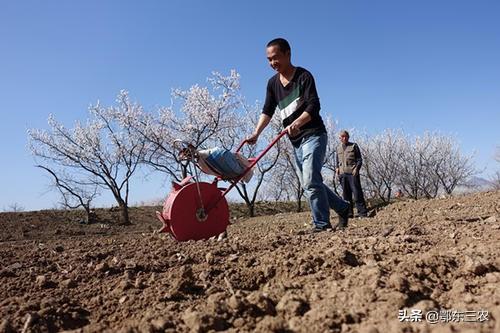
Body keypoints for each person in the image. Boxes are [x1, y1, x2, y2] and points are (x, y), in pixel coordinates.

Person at [247, 38, 350, 232]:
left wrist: (298, 122)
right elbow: (267, 110)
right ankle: (343, 208)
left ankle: (321, 224)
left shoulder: (304, 76)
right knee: (309, 183)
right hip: (295, 141)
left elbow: (314, 105)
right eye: (269, 60)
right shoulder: (272, 84)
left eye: (276, 58)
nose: (272, 63)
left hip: (313, 134)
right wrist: (256, 133)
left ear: (288, 54)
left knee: (311, 180)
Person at [335, 130, 368, 218]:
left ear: (348, 137)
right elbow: (337, 161)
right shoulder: (338, 148)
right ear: (339, 138)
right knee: (346, 195)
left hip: (352, 173)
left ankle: (362, 212)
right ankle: (349, 213)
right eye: (342, 137)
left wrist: (357, 169)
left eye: (346, 136)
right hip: (342, 174)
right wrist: (337, 168)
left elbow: (359, 160)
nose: (344, 138)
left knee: (357, 193)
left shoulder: (354, 146)